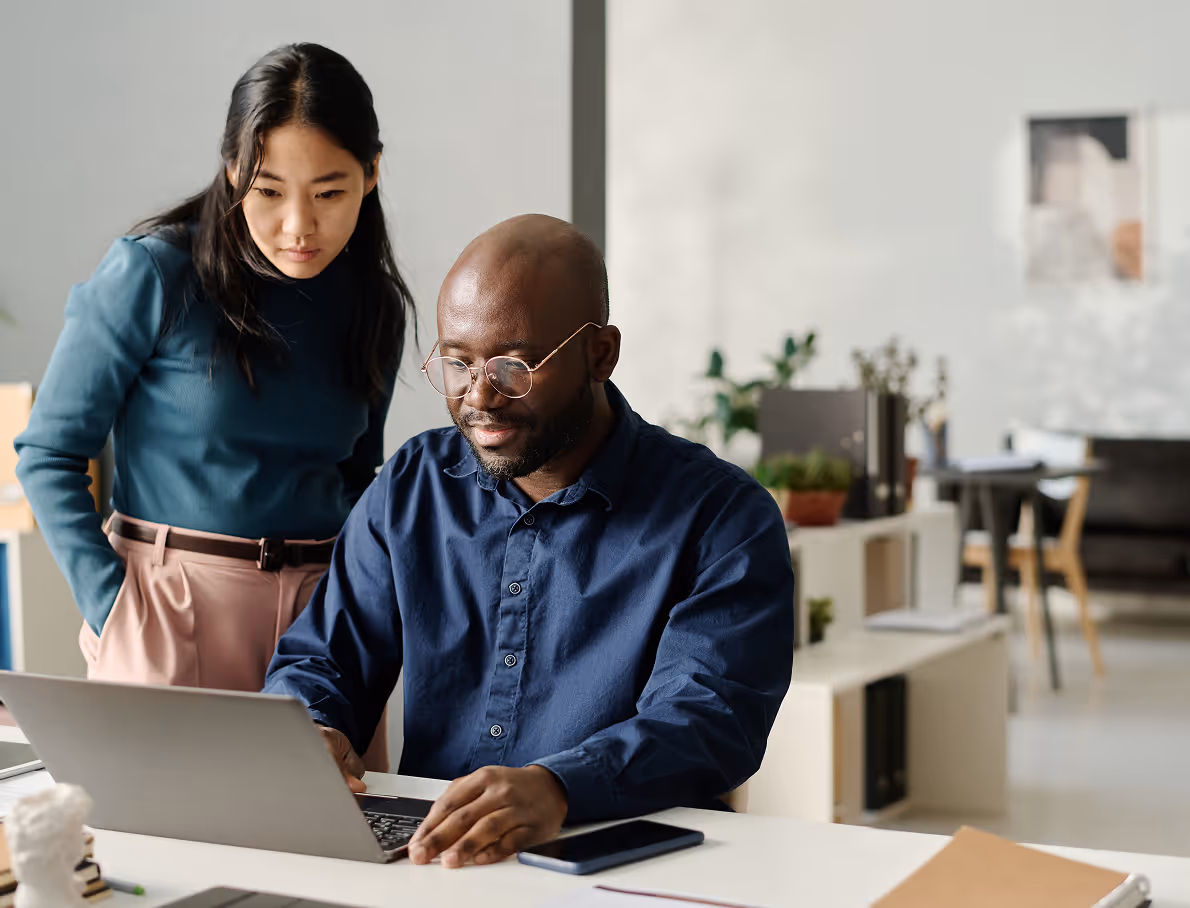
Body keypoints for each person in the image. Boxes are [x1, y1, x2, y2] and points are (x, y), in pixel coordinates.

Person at [263, 214, 795, 867]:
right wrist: (310, 726)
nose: (479, 396)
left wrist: (561, 788)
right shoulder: (413, 484)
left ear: (600, 353)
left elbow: (710, 719)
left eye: (514, 365)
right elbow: (322, 659)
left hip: (625, 867)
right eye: (457, 362)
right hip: (440, 866)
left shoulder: (722, 517)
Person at [14, 44, 412, 766]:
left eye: (329, 193)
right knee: (162, 855)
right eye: (268, 190)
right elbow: (48, 452)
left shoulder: (372, 304)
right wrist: (115, 608)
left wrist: (354, 610)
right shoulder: (155, 272)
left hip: (322, 628)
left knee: (334, 850)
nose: (299, 226)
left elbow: (359, 477)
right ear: (232, 169)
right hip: (170, 610)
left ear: (371, 174)